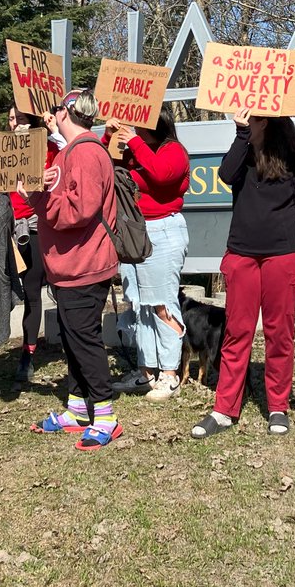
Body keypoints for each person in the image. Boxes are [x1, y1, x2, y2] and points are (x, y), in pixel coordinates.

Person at [191, 107, 295, 439]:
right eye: (250, 117)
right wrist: (241, 133)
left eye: (257, 118)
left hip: (283, 256)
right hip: (242, 255)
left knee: (280, 335)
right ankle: (224, 409)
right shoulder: (242, 150)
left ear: (272, 122)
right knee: (236, 333)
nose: (250, 119)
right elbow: (225, 175)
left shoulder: (291, 158)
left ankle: (278, 406)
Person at [26, 89, 122, 450]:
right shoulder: (72, 152)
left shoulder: (84, 152)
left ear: (65, 114)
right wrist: (33, 192)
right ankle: (78, 407)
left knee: (85, 340)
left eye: (54, 112)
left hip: (85, 263)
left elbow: (79, 210)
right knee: (72, 338)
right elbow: (59, 198)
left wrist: (45, 200)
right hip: (70, 265)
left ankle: (107, 415)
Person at [104, 108, 190, 401]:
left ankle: (169, 374)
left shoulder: (174, 151)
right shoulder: (132, 149)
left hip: (163, 230)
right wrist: (110, 134)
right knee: (138, 303)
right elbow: (106, 168)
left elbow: (162, 175)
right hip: (134, 232)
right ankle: (146, 371)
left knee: (162, 302)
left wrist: (136, 143)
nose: (134, 127)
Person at [7, 105, 61, 383]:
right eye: (10, 120)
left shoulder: (49, 148)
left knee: (39, 291)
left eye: (19, 119)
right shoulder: (6, 152)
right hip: (13, 228)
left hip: (38, 226)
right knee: (27, 292)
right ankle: (25, 351)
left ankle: (30, 354)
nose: (14, 124)